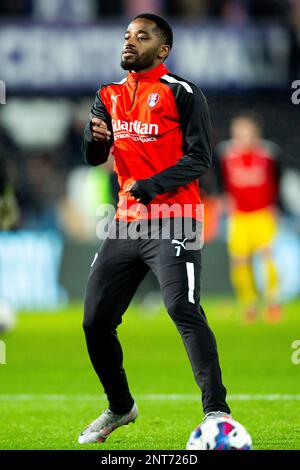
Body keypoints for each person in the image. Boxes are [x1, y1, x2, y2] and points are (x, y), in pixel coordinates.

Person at [79, 13, 231, 445]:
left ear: (162, 50)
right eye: (127, 35)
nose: (130, 41)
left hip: (176, 218)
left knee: (182, 307)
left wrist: (152, 185)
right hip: (126, 222)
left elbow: (201, 158)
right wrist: (94, 140)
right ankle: (120, 406)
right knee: (94, 321)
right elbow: (94, 157)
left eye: (141, 37)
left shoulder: (182, 93)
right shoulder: (107, 95)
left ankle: (217, 412)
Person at [215, 112, 282, 323]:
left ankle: (272, 302)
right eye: (239, 131)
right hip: (239, 216)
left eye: (248, 131)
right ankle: (249, 303)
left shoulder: (269, 154)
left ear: (256, 133)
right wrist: (222, 197)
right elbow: (219, 180)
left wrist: (276, 205)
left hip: (263, 213)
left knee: (267, 256)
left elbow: (276, 179)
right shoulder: (225, 154)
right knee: (239, 260)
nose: (244, 136)